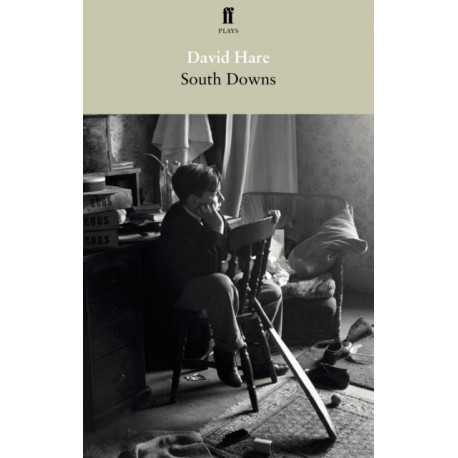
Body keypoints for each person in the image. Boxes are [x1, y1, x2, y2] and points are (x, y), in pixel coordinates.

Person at [160, 163, 288, 387]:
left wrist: (264, 227)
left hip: (219, 285)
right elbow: (206, 268)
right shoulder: (176, 224)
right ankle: (225, 354)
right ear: (194, 199)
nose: (222, 197)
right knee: (221, 283)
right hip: (187, 291)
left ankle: (259, 359)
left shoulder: (211, 214)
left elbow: (235, 247)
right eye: (214, 192)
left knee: (272, 292)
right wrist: (216, 230)